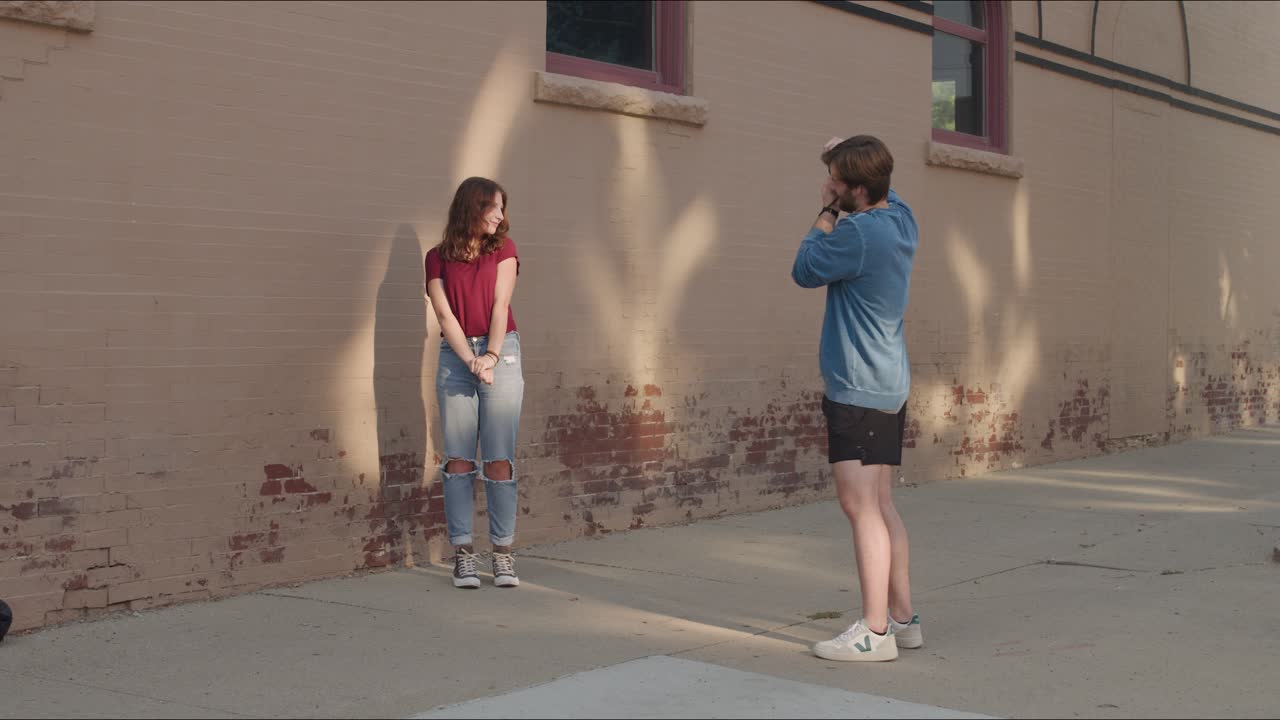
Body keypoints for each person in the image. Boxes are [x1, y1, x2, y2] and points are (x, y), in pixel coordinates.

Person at [791, 136, 923, 661]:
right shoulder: (902, 219)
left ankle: (875, 633)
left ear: (857, 189)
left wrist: (826, 209)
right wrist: (847, 154)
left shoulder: (859, 234)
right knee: (882, 502)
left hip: (859, 386)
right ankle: (902, 619)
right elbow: (888, 184)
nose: (831, 188)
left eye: (838, 182)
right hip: (887, 382)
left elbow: (803, 268)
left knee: (859, 505)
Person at [425, 177, 524, 589]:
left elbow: (502, 305)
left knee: (499, 458)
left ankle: (502, 555)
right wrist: (470, 359)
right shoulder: (436, 258)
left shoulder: (504, 249)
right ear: (473, 207)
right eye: (494, 207)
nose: (501, 216)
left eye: (503, 208)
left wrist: (490, 358)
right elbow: (445, 317)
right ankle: (463, 555)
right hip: (456, 354)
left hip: (502, 350)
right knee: (459, 459)